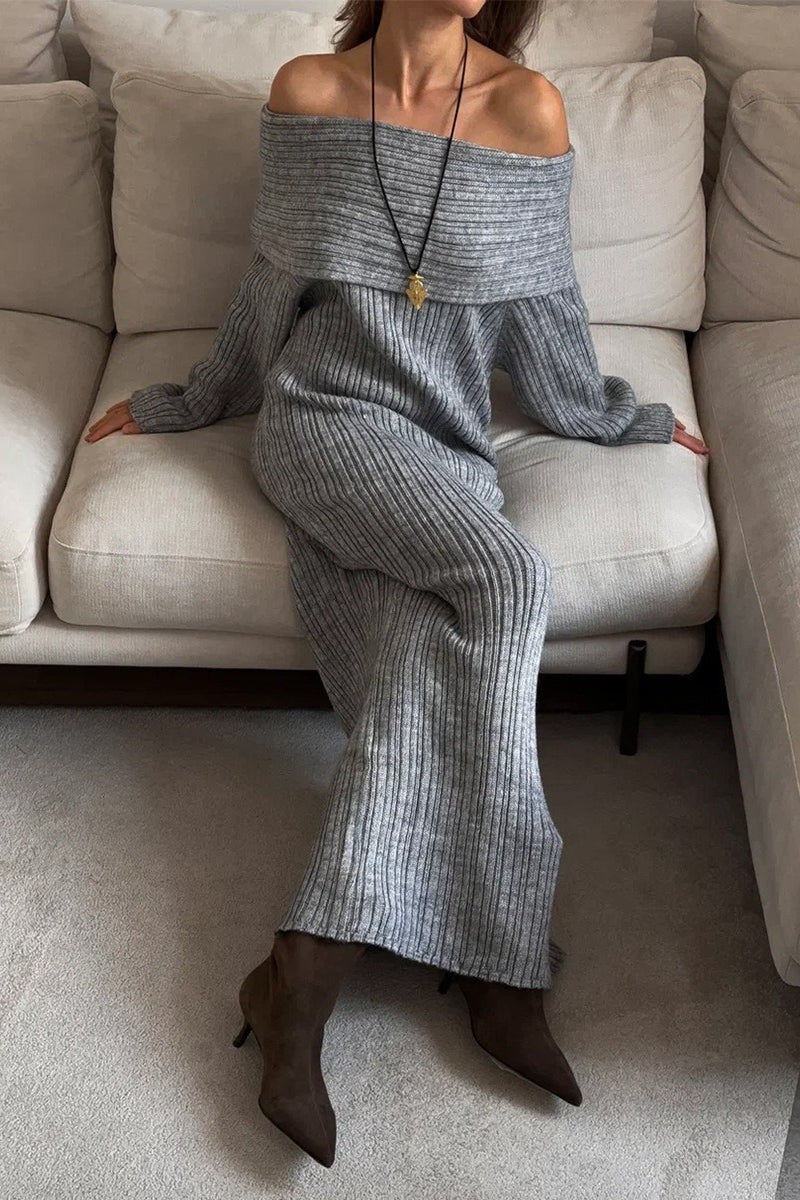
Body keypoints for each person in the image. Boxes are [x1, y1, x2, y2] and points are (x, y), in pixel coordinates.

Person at [85, 0, 711, 1169]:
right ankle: (498, 964)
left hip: (447, 449)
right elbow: (268, 292)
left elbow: (545, 310)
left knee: (424, 647)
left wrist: (613, 416)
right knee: (508, 577)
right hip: (320, 424)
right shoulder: (310, 93)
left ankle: (301, 970)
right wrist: (194, 398)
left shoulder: (526, 110)